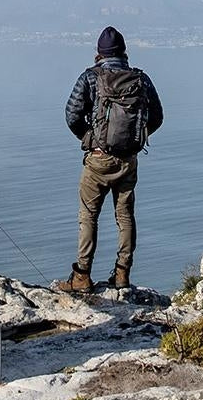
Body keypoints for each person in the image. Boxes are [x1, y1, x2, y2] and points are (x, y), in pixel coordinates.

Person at [59, 26, 163, 292]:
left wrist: (90, 139)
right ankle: (122, 275)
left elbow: (71, 115)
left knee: (88, 216)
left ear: (99, 53)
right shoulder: (140, 78)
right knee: (125, 216)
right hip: (128, 160)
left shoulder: (90, 77)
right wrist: (136, 139)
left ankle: (81, 276)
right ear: (124, 52)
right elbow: (157, 117)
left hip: (97, 161)